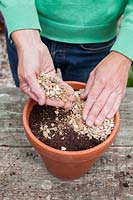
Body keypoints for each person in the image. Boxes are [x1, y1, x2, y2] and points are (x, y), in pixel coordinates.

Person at [0, 1, 132, 127]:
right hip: (24, 28)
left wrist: (123, 54)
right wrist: (26, 38)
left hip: (97, 41)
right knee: (31, 94)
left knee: (90, 105)